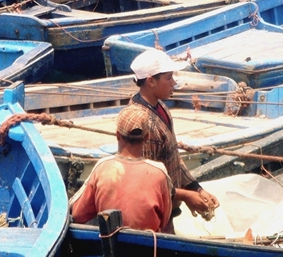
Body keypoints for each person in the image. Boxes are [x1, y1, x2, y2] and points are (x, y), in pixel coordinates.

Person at [118, 48, 219, 233]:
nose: (174, 82)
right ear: (151, 81)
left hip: (168, 209)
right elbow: (147, 182)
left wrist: (196, 189)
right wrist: (187, 196)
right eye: (169, 78)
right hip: (152, 218)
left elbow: (173, 158)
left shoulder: (161, 107)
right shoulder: (142, 123)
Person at [69, 107, 173, 232]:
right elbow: (165, 219)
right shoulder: (159, 172)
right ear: (146, 137)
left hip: (110, 239)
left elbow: (78, 215)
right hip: (149, 242)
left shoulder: (102, 167)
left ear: (117, 135)